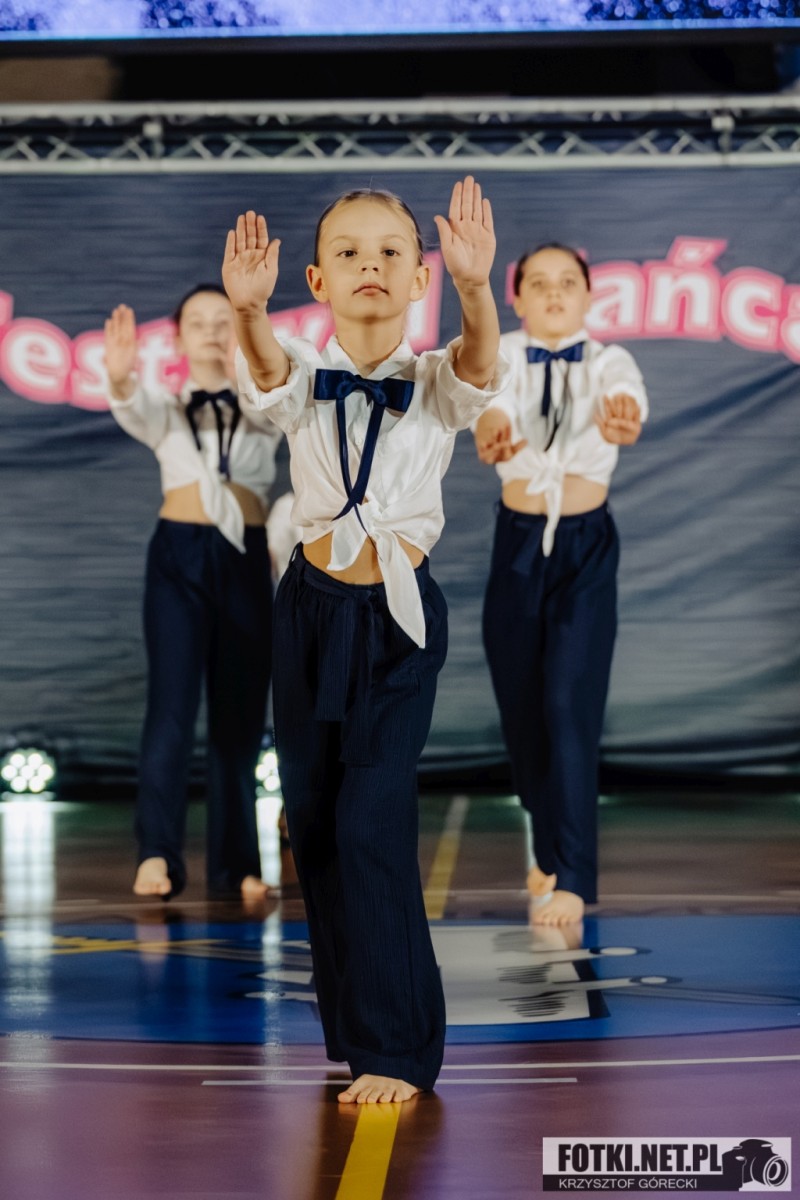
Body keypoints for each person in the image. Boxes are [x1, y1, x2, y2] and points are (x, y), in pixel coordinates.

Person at [222, 177, 506, 1103]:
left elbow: (479, 365)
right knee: (314, 824)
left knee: (370, 819)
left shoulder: (435, 380)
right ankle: (352, 1028)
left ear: (420, 277)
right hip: (307, 613)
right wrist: (249, 313)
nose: (369, 265)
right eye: (347, 252)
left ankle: (399, 1050)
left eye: (390, 251)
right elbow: (269, 379)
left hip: (398, 620)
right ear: (317, 280)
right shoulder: (303, 369)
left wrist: (475, 289)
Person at [474, 243, 647, 928]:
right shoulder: (501, 356)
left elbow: (626, 399)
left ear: (587, 296)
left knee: (569, 703)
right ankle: (548, 842)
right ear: (515, 297)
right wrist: (493, 428)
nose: (553, 293)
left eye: (567, 283)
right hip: (517, 546)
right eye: (539, 283)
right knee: (523, 716)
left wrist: (623, 415)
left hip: (585, 549)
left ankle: (573, 876)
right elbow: (488, 408)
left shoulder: (609, 360)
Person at [104, 284, 282, 901]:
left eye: (223, 321)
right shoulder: (166, 408)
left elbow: (277, 407)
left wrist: (248, 358)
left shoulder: (264, 403)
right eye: (198, 323)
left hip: (245, 558)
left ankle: (238, 865)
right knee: (171, 709)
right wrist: (120, 376)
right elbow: (131, 403)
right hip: (179, 558)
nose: (211, 331)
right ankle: (157, 853)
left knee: (240, 717)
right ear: (177, 340)